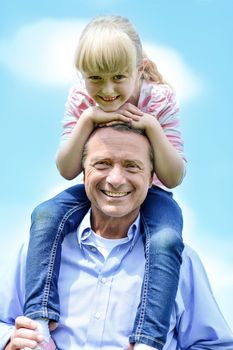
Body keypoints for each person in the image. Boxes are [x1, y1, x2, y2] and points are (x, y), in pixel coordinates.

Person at [24, 15, 186, 350]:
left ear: (138, 69)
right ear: (82, 76)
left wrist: (152, 127)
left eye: (118, 77)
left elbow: (174, 176)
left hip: (149, 191)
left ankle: (147, 339)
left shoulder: (159, 99)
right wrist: (87, 120)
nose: (107, 90)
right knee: (44, 215)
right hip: (93, 190)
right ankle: (39, 315)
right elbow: (68, 169)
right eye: (95, 78)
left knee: (167, 239)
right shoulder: (81, 99)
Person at [1, 125, 233, 350]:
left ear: (152, 178)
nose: (115, 179)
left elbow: (216, 346)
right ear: (83, 172)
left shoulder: (181, 262)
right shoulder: (39, 251)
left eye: (132, 166)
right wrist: (10, 343)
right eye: (102, 163)